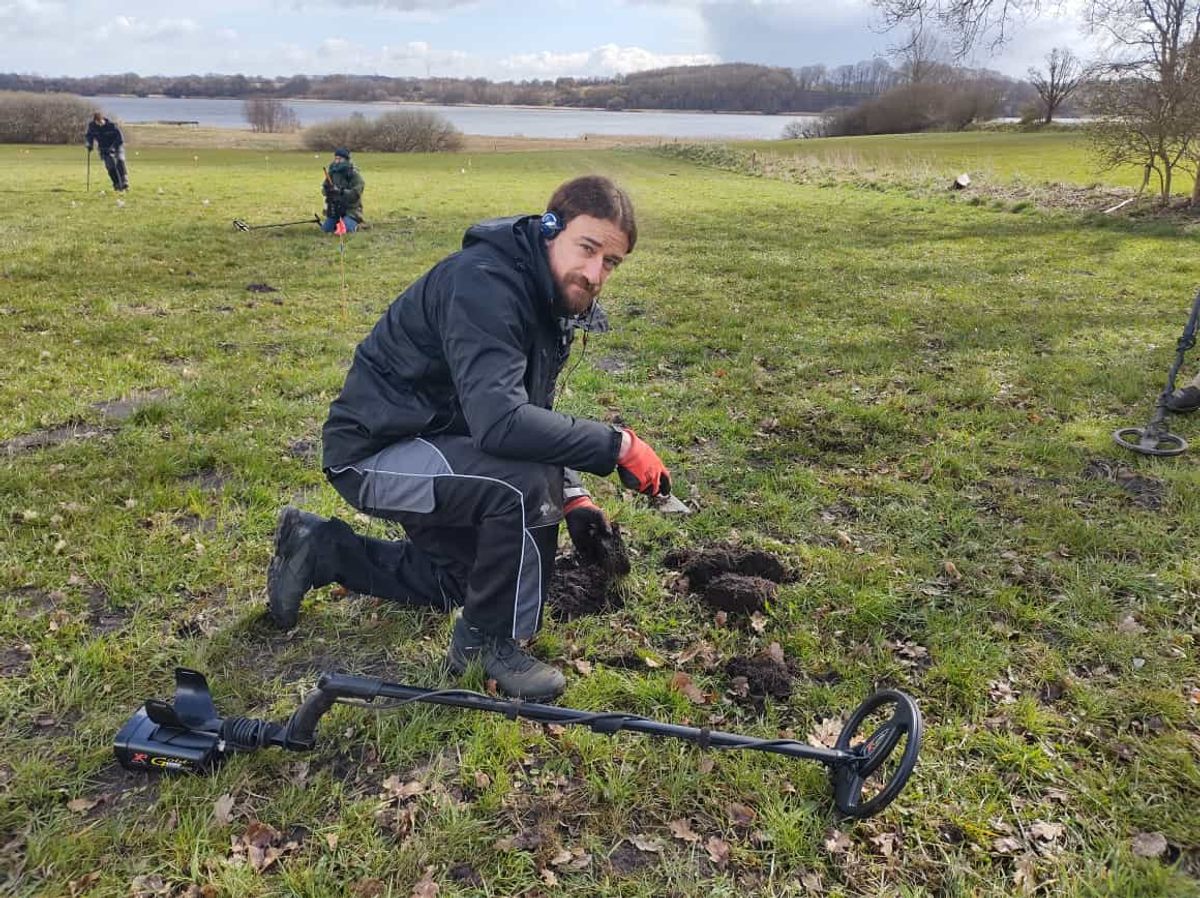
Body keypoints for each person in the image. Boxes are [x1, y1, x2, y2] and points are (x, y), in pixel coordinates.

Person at [266, 175, 671, 700]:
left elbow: (532, 416)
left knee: (468, 581)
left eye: (610, 263)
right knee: (520, 486)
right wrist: (619, 446)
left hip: (438, 444)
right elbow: (502, 423)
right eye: (587, 249)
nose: (595, 274)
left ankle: (322, 550)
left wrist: (574, 497)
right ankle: (487, 644)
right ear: (550, 229)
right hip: (371, 454)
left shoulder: (545, 295)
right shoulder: (484, 284)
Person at [321, 147, 364, 233]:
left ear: (346, 159)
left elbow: (356, 194)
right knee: (326, 230)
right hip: (335, 210)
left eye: (340, 159)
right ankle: (337, 222)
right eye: (336, 158)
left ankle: (356, 225)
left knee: (345, 230)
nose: (337, 161)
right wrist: (328, 190)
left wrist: (341, 191)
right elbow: (323, 190)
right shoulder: (332, 172)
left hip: (351, 210)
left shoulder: (354, 174)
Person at [85, 112, 128, 192]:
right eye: (97, 123)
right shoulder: (92, 126)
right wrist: (89, 144)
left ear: (103, 120)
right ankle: (117, 184)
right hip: (103, 148)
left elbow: (120, 139)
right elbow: (89, 136)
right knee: (110, 166)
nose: (99, 125)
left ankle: (124, 182)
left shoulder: (112, 126)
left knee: (120, 161)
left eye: (100, 122)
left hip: (117, 146)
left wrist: (113, 148)